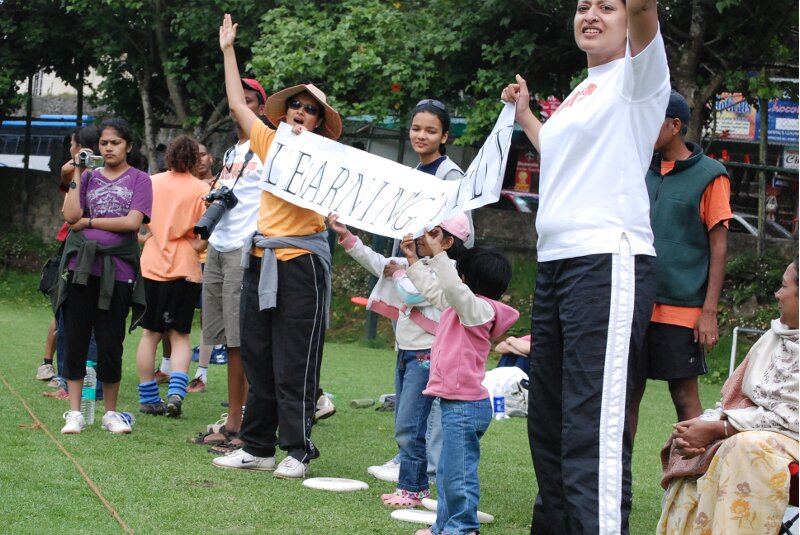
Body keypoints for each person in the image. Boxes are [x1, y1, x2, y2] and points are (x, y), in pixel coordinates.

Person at [500, 0, 670, 532]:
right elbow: (557, 150)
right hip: (556, 263)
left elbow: (645, 9)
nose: (590, 14)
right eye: (582, 6)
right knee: (547, 422)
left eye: (606, 6)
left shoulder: (639, 76)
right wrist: (527, 112)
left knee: (589, 426)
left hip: (607, 260)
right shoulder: (582, 91)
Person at [211, 13, 339, 479]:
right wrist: (228, 50)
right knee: (259, 357)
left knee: (295, 361)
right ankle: (257, 446)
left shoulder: (329, 158)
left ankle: (297, 450)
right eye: (295, 106)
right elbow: (236, 104)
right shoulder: (268, 141)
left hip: (302, 262)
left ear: (320, 123)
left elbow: (359, 196)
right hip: (260, 258)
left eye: (310, 109)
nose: (301, 112)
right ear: (283, 114)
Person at [329, 211, 470, 508]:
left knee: (411, 424)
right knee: (406, 423)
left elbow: (415, 292)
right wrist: (347, 236)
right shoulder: (415, 265)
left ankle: (413, 486)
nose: (422, 237)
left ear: (447, 242)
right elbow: (379, 263)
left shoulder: (450, 271)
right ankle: (413, 485)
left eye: (432, 234)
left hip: (426, 356)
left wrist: (399, 272)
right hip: (406, 353)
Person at [657, 259, 798, 535]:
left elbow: (792, 417)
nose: (777, 294)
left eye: (784, 286)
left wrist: (720, 428)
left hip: (784, 439)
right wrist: (704, 427)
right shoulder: (774, 336)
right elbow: (736, 399)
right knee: (694, 448)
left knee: (744, 448)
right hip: (760, 431)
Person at [629, 90, 732, 441]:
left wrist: (709, 311)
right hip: (635, 303)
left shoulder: (711, 174)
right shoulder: (638, 166)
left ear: (675, 126)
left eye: (651, 119)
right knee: (626, 398)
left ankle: (699, 487)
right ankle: (616, 493)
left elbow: (719, 248)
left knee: (685, 397)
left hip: (682, 311)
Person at [402, 237, 518, 535]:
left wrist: (439, 254)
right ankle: (444, 526)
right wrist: (414, 261)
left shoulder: (478, 311)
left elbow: (452, 288)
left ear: (466, 278)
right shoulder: (461, 307)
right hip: (454, 403)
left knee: (459, 473)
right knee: (446, 473)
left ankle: (464, 528)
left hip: (466, 407)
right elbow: (434, 290)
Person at [56, 117, 152, 434]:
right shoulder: (89, 177)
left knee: (111, 342)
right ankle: (74, 413)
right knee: (76, 338)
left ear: (128, 146)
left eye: (115, 143)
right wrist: (79, 173)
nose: (108, 148)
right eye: (104, 143)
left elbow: (131, 223)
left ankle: (111, 412)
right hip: (82, 271)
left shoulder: (140, 179)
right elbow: (71, 217)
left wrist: (91, 223)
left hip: (119, 271)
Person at [135, 135, 209, 417]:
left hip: (152, 264)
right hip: (184, 267)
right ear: (194, 159)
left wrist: (149, 239)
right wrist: (193, 244)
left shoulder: (151, 182)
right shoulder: (202, 189)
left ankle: (148, 397)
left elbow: (136, 223)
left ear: (169, 157)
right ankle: (176, 393)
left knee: (150, 334)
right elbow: (204, 238)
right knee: (179, 336)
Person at [41, 126, 101, 400]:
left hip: (86, 251)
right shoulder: (76, 171)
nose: (70, 150)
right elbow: (65, 173)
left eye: (73, 145)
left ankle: (87, 385)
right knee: (65, 317)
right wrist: (79, 162)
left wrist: (85, 161)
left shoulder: (98, 177)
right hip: (71, 249)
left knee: (81, 320)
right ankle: (67, 379)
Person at [187, 142, 215, 394]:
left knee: (208, 317)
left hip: (211, 260)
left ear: (212, 157)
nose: (200, 160)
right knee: (174, 316)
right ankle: (167, 368)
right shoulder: (184, 187)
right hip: (184, 258)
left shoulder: (221, 185)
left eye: (203, 154)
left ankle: (201, 375)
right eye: (194, 156)